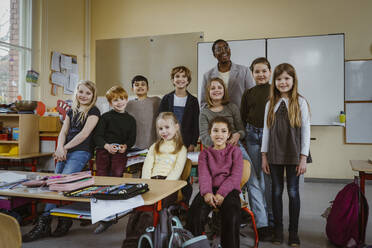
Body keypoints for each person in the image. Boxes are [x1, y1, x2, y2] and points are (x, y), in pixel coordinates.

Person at [22, 80, 100, 242]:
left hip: (81, 151)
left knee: (60, 184)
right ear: (76, 93)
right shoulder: (72, 111)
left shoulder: (94, 111)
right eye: (81, 91)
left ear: (93, 96)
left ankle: (45, 223)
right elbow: (63, 132)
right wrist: (59, 148)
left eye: (88, 93)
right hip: (65, 151)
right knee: (54, 185)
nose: (83, 95)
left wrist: (64, 148)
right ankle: (63, 221)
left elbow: (84, 134)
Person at [199, 77, 266, 234]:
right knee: (213, 179)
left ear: (224, 90)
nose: (216, 90)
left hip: (235, 149)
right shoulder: (204, 112)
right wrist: (221, 143)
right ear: (208, 91)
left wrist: (236, 135)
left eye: (219, 87)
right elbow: (204, 136)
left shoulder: (232, 107)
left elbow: (241, 130)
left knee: (253, 181)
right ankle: (217, 218)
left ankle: (262, 224)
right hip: (214, 151)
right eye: (213, 88)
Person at [261, 63, 310, 246]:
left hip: (294, 153)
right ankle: (278, 231)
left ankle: (293, 233)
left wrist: (303, 157)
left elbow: (306, 131)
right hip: (274, 153)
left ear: (293, 80)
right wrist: (264, 155)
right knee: (275, 191)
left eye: (286, 78)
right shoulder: (270, 104)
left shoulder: (301, 102)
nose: (283, 82)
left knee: (293, 192)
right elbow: (266, 130)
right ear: (274, 81)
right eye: (279, 79)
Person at [122, 112, 187, 248]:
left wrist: (163, 186)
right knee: (137, 208)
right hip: (151, 183)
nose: (163, 131)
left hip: (170, 185)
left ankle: (136, 243)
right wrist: (147, 184)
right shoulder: (154, 147)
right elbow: (147, 167)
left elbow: (176, 171)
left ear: (176, 127)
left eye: (167, 127)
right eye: (160, 128)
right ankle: (129, 243)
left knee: (149, 209)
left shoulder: (181, 148)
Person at [186, 116, 243, 248]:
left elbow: (235, 177)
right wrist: (206, 193)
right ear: (210, 134)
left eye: (223, 131)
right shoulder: (205, 154)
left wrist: (222, 194)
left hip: (229, 190)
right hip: (209, 189)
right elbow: (204, 176)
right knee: (195, 213)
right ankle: (196, 245)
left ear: (229, 135)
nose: (219, 134)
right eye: (215, 130)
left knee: (232, 215)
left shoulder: (236, 152)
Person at [240, 57, 273, 240]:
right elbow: (243, 117)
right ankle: (261, 224)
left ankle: (271, 219)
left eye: (264, 71)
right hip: (252, 137)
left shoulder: (275, 91)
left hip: (270, 138)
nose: (261, 75)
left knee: (268, 179)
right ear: (252, 74)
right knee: (255, 180)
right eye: (257, 72)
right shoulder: (248, 93)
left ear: (270, 72)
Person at [94, 85, 136, 177]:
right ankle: (102, 190)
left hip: (119, 151)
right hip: (104, 150)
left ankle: (114, 190)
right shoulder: (105, 117)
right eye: (115, 100)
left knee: (117, 173)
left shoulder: (131, 120)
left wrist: (125, 146)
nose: (119, 102)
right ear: (110, 103)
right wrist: (107, 146)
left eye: (122, 99)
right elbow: (97, 136)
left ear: (126, 100)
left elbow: (131, 139)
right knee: (102, 174)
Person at [200, 39, 254, 108]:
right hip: (216, 117)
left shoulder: (244, 71)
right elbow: (204, 103)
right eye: (219, 49)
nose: (224, 51)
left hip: (240, 116)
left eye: (226, 47)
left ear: (230, 50)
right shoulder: (207, 76)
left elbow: (251, 98)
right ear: (214, 54)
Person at [159, 66, 199, 152]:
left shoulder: (193, 101)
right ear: (173, 80)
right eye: (177, 76)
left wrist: (193, 144)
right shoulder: (166, 99)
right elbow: (160, 121)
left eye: (184, 76)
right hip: (168, 141)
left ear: (188, 80)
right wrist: (162, 140)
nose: (180, 79)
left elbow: (196, 124)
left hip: (186, 142)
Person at [126, 75, 161, 150]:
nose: (140, 87)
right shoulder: (129, 104)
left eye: (143, 84)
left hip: (153, 141)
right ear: (132, 89)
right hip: (136, 143)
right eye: (137, 85)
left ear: (148, 88)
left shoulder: (156, 101)